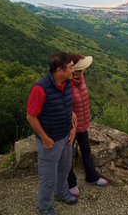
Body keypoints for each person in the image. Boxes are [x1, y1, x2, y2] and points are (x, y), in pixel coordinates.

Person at [26, 52, 78, 215]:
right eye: (70, 68)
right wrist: (45, 139)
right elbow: (31, 116)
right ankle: (45, 207)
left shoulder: (67, 82)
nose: (73, 71)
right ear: (59, 70)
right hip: (50, 140)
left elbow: (66, 106)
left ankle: (61, 193)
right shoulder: (40, 88)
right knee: (48, 176)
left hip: (66, 136)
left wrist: (72, 126)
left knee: (64, 167)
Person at [67, 54, 108, 198]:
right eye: (80, 68)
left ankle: (92, 177)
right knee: (67, 157)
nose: (82, 70)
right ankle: (70, 183)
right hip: (70, 128)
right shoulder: (66, 84)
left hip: (82, 125)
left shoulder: (81, 80)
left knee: (86, 152)